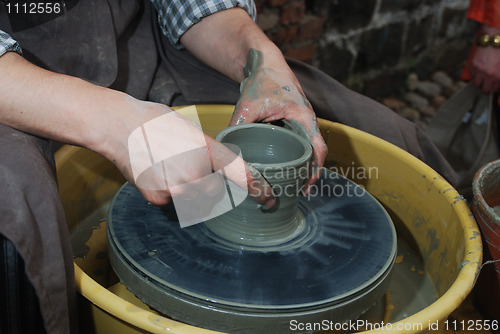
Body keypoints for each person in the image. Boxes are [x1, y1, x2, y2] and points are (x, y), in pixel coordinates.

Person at [0, 1, 457, 333]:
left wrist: (261, 60)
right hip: (22, 83)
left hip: (149, 47)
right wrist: (115, 123)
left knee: (388, 134)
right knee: (16, 212)